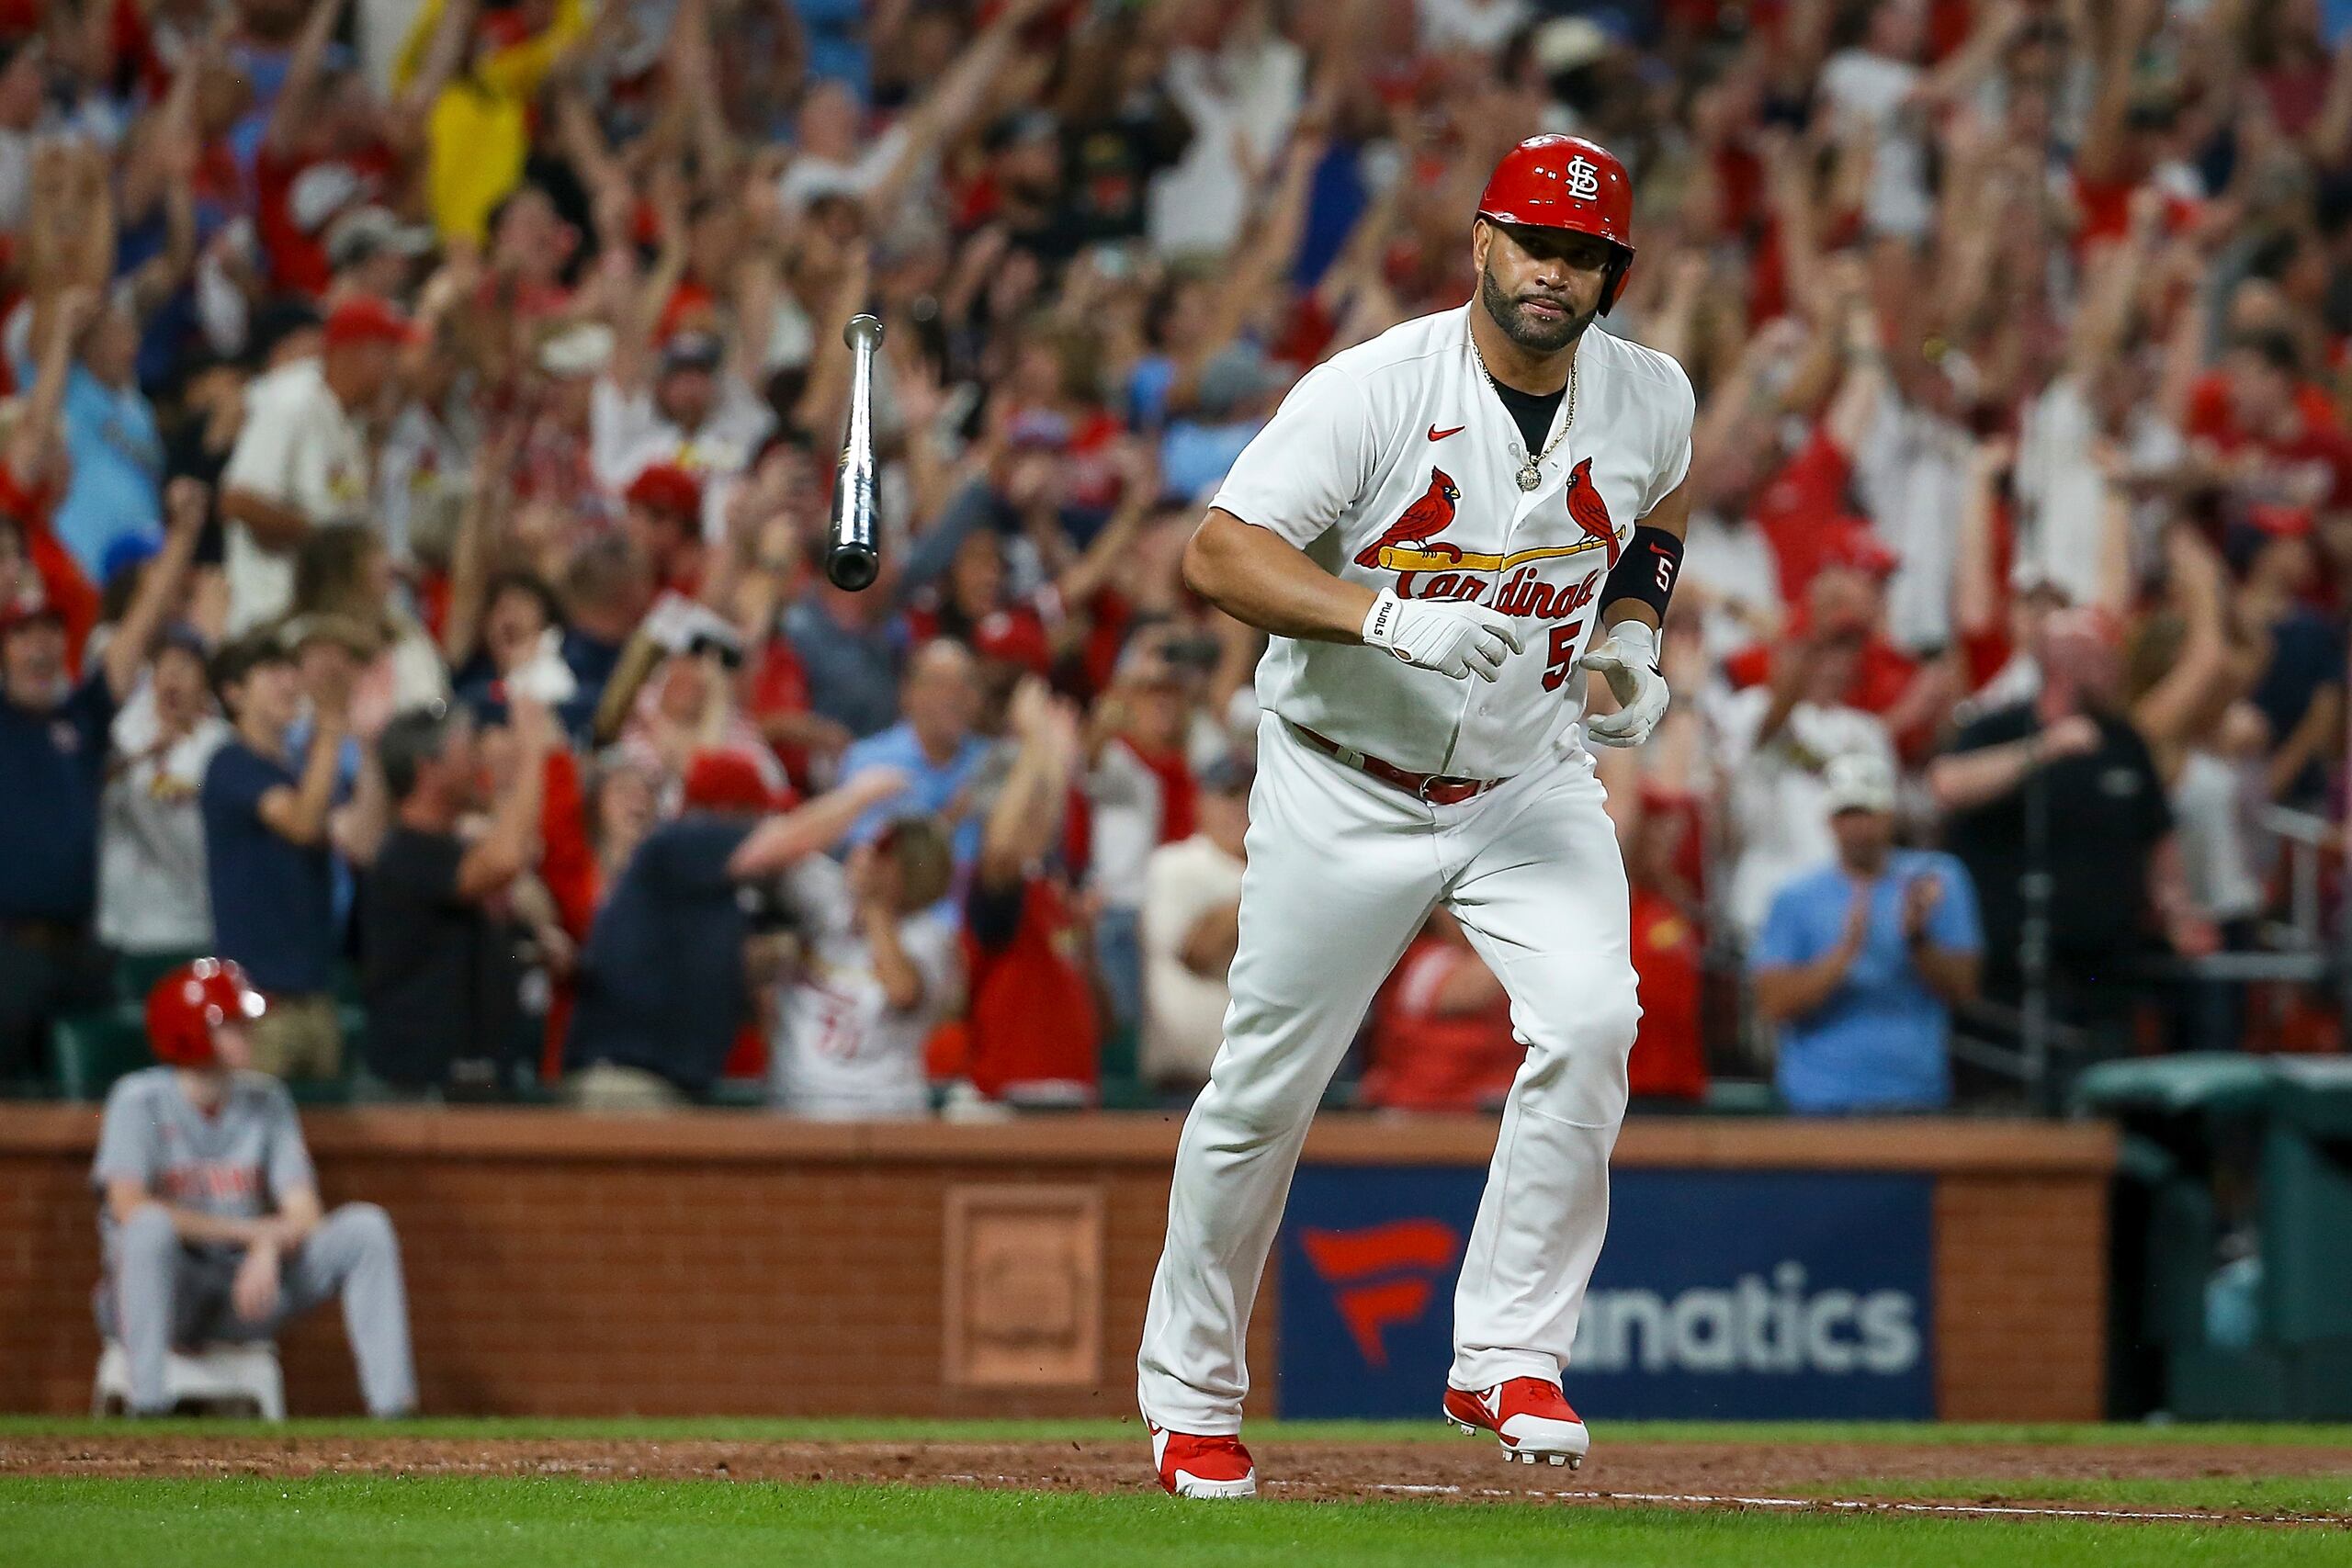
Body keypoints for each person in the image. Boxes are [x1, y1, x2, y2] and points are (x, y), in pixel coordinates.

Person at [1136, 136, 1693, 1495]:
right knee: (1263, 1092)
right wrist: (1376, 610)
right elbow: (1215, 547)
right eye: (1534, 243)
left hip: (1525, 775)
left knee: (1595, 1019)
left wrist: (1629, 641)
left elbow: (1650, 519)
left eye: (1583, 255)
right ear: (1483, 244)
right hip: (1344, 773)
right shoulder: (1377, 388)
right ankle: (1191, 1394)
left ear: (1613, 273)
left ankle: (1504, 1348)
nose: (1554, 272)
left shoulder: (1651, 394)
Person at [92, 959, 415, 1417]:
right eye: (232, 1024)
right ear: (190, 1030)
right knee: (148, 1228)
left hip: (245, 1293)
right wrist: (252, 1235)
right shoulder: (137, 1099)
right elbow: (127, 1206)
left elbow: (305, 1214)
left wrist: (269, 1245)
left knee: (366, 1228)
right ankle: (148, 1407)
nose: (248, 1031)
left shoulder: (268, 1099)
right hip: (167, 1294)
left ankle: (394, 1409)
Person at [561, 753, 905, 1109]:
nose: (761, 822)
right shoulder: (681, 841)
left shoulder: (701, 887)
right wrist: (862, 794)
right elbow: (790, 839)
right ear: (728, 811)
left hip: (665, 1085)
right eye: (754, 814)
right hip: (626, 1082)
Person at [0, 479, 201, 1082]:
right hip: (8, 951)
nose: (39, 647)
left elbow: (135, 634)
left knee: (110, 1091)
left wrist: (185, 536)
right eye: (22, 636)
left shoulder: (80, 720)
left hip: (83, 950)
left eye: (50, 634)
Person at [1749, 754, 1983, 1115]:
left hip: (1916, 1096)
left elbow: (1964, 989)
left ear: (1890, 815)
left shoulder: (1935, 879)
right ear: (1829, 820)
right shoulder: (1794, 898)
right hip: (1818, 1099)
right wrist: (1845, 952)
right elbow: (1772, 1003)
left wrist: (1918, 939)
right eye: (1848, 814)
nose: (1859, 827)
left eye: (1868, 813)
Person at [359, 700, 554, 1096]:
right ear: (427, 769)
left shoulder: (450, 847)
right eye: (467, 752)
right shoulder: (406, 852)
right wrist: (534, 752)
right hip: (414, 1087)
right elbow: (506, 859)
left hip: (470, 1079)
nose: (477, 765)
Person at [199, 631, 369, 1080]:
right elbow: (303, 824)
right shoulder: (230, 763)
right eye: (272, 672)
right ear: (233, 693)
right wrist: (331, 728)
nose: (289, 682)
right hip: (260, 1001)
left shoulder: (297, 770)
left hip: (315, 991)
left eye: (291, 671)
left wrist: (361, 734)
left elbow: (363, 839)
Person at [218, 294, 413, 634]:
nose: (395, 370)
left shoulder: (347, 421)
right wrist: (334, 547)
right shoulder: (293, 400)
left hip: (319, 619)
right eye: (388, 355)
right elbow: (238, 501)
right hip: (269, 617)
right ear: (353, 353)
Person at [768, 817, 961, 1119]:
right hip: (796, 1108)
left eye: (882, 855)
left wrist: (874, 905)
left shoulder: (928, 936)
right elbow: (768, 848)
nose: (864, 855)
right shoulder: (825, 894)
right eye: (869, 847)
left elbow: (903, 991)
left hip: (883, 1118)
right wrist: (857, 798)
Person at [97, 627, 231, 967]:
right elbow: (88, 787)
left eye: (185, 666)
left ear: (205, 682)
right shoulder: (125, 732)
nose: (172, 675)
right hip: (126, 925)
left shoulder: (221, 745)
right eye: (163, 665)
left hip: (199, 921)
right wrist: (143, 756)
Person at [1139, 752, 1251, 1089]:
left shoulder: (1274, 874)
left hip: (1257, 1084)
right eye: (1227, 797)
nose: (1238, 809)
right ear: (1200, 803)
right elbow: (1197, 952)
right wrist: (1272, 882)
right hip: (1185, 1082)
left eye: (1248, 796)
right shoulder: (1175, 866)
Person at [837, 638, 989, 862]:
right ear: (908, 692)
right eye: (939, 684)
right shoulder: (868, 761)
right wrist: (949, 819)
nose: (953, 697)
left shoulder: (991, 760)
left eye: (966, 685)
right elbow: (874, 860)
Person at [1362, 910, 1520, 1112]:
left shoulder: (1506, 963)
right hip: (1419, 1114)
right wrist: (1530, 933)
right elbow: (1470, 991)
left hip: (1492, 1110)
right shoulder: (1417, 956)